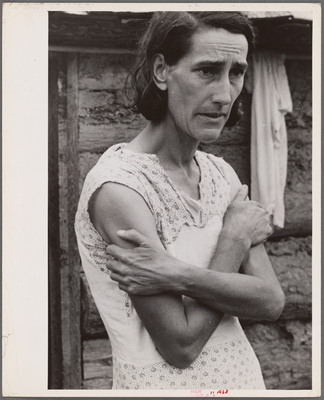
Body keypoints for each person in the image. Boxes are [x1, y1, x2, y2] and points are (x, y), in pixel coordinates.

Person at [75, 11, 285, 390]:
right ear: (161, 71)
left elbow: (270, 301)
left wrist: (175, 273)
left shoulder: (221, 175)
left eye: (236, 72)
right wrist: (233, 240)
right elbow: (181, 343)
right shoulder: (118, 187)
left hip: (243, 383)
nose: (224, 95)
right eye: (206, 70)